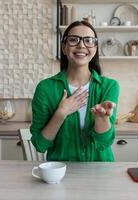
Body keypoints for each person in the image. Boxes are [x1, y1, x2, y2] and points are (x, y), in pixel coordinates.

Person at [30, 21, 119, 161]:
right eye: (73, 40)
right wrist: (61, 113)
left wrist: (101, 118)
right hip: (61, 173)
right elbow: (40, 145)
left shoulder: (109, 86)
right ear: (64, 47)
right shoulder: (45, 88)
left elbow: (104, 143)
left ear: (95, 48)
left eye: (88, 40)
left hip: (101, 172)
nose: (81, 45)